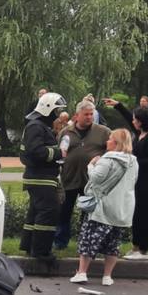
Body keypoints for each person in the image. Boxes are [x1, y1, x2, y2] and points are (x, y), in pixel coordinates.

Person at [69, 128, 138, 286]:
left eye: (110, 139)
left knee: (89, 240)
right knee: (113, 244)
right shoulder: (133, 161)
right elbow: (133, 182)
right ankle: (107, 276)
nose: (106, 142)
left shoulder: (108, 159)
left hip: (103, 208)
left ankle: (82, 273)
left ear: (116, 143)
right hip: (122, 209)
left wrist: (91, 166)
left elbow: (96, 178)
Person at [105, 98, 148, 260]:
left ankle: (143, 250)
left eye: (136, 119)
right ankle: (136, 246)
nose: (134, 121)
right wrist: (118, 106)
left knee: (143, 216)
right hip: (137, 182)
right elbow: (129, 119)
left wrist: (132, 160)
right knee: (136, 215)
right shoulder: (140, 134)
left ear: (143, 121)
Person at [53, 98, 111, 249]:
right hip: (69, 178)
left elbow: (112, 149)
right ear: (77, 115)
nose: (89, 117)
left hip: (90, 181)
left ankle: (87, 241)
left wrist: (102, 160)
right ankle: (60, 241)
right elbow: (59, 151)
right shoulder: (66, 132)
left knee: (89, 213)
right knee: (64, 211)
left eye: (91, 114)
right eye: (86, 114)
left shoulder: (103, 132)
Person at [19, 92, 66, 272]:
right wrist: (59, 153)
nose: (58, 114)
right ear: (48, 109)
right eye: (57, 110)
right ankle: (42, 252)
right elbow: (37, 152)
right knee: (47, 214)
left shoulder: (37, 126)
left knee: (35, 214)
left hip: (40, 177)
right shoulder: (36, 127)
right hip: (41, 179)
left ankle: (30, 247)